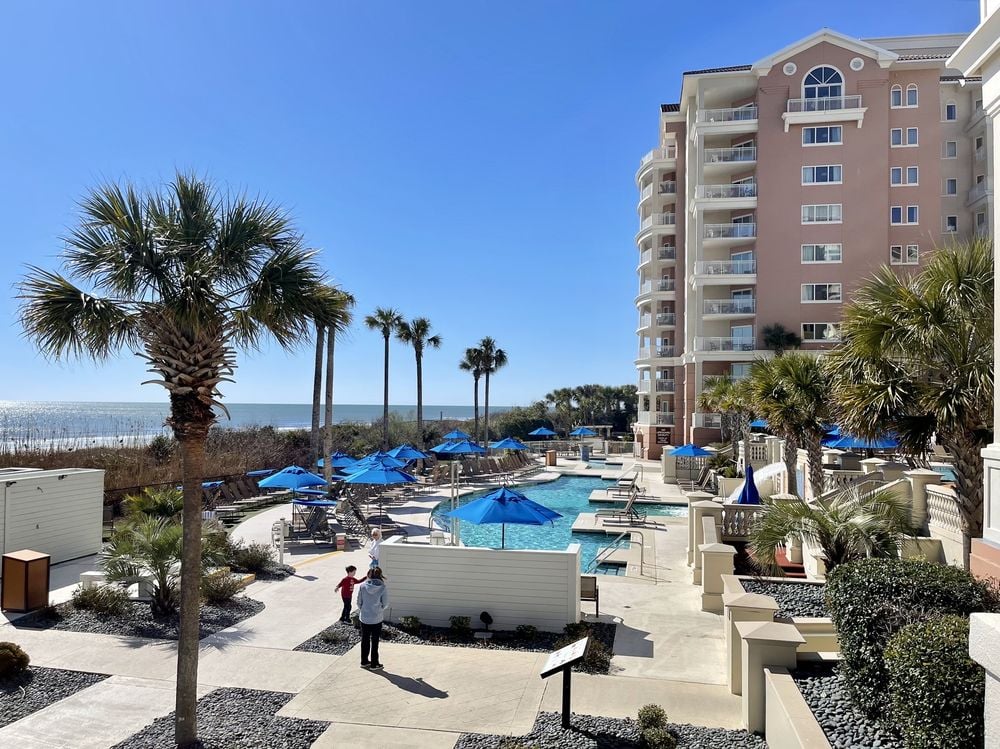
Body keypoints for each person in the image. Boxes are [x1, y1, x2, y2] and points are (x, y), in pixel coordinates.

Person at [357, 566, 388, 670]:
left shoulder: (362, 586)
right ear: (380, 575)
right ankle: (375, 664)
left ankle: (364, 661)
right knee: (375, 641)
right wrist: (379, 609)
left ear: (368, 575)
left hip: (364, 618)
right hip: (376, 619)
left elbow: (359, 603)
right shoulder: (383, 588)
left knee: (364, 640)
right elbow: (386, 604)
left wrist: (364, 609)